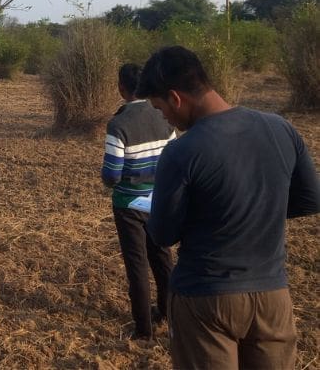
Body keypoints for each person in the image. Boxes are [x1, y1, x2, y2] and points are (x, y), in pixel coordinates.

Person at [136, 45, 320, 369]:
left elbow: (163, 234)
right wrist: (256, 206)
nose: (163, 116)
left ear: (176, 98)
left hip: (203, 299)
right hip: (272, 295)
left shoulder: (181, 152)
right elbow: (310, 199)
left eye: (159, 107)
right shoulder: (281, 129)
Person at [101, 63, 176, 340]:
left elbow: (111, 174)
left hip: (128, 206)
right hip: (159, 202)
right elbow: (173, 157)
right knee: (162, 257)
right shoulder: (163, 115)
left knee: (137, 265)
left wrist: (110, 181)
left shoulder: (118, 123)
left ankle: (144, 330)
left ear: (122, 88)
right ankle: (169, 314)